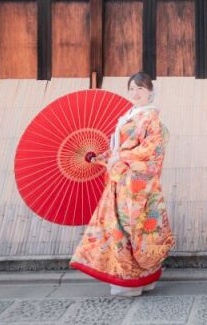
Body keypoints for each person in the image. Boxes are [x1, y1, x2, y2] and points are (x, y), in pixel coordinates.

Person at [71, 72, 175, 296]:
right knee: (122, 229)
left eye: (140, 88)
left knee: (133, 228)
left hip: (137, 185)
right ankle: (136, 278)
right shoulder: (129, 115)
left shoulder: (149, 117)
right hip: (122, 180)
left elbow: (152, 149)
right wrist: (102, 157)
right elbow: (120, 149)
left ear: (150, 92)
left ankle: (133, 280)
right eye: (131, 89)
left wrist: (122, 157)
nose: (135, 93)